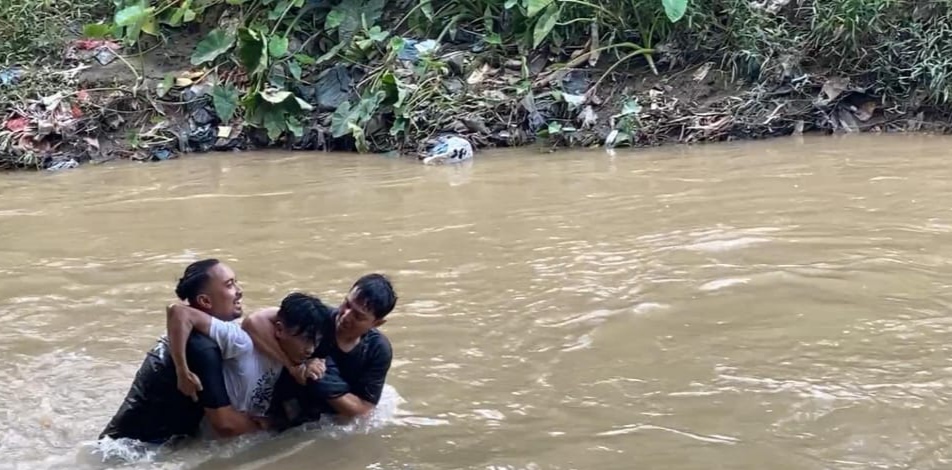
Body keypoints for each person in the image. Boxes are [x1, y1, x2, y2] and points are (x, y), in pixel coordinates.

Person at [99, 259, 263, 444]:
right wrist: (275, 426)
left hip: (126, 445)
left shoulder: (188, 334)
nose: (239, 291)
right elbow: (226, 425)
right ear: (205, 301)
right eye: (229, 285)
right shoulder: (202, 348)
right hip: (136, 454)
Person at [242, 273, 397, 426]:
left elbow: (364, 411)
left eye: (358, 316)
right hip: (286, 404)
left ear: (377, 323)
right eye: (347, 305)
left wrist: (320, 378)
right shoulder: (320, 317)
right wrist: (294, 366)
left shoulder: (377, 350)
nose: (345, 316)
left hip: (325, 415)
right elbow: (253, 322)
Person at [166, 291, 329, 427]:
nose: (310, 349)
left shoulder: (293, 356)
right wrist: (182, 370)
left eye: (316, 341)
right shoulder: (241, 342)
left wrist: (309, 363)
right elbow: (179, 312)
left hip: (245, 439)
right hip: (210, 442)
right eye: (306, 339)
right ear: (279, 329)